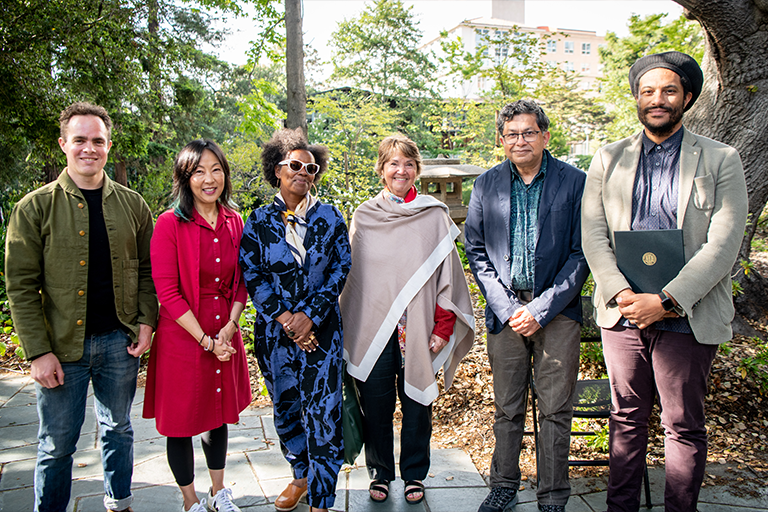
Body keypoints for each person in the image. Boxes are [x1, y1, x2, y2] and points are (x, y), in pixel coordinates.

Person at [581, 51, 748, 512]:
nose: (658, 99)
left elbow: (724, 241)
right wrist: (622, 293)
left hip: (687, 317)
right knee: (625, 419)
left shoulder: (721, 159)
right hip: (624, 313)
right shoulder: (608, 158)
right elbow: (594, 235)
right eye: (648, 90)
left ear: (687, 97)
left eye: (669, 90)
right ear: (637, 98)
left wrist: (668, 300)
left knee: (683, 424)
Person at [4, 102, 158, 512]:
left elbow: (147, 271)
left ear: (108, 146)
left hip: (117, 344)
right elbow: (20, 286)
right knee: (56, 445)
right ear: (63, 145)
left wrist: (146, 321)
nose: (88, 148)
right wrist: (37, 352)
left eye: (97, 140)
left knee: (119, 430)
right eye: (80, 140)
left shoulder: (133, 206)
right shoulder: (34, 208)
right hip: (60, 349)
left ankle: (119, 502)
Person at [464, 100, 589, 512]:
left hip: (557, 314)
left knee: (555, 408)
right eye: (512, 134)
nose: (521, 140)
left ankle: (553, 495)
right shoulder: (486, 185)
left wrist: (541, 309)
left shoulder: (575, 182)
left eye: (529, 132)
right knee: (507, 406)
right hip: (506, 315)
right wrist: (505, 306)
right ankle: (503, 485)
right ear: (501, 141)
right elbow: (476, 251)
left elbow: (582, 253)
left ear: (545, 136)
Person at [341, 134, 475, 506]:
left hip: (418, 327)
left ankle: (414, 473)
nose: (401, 170)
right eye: (393, 163)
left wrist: (442, 328)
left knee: (417, 407)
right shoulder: (365, 216)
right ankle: (380, 473)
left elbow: (448, 278)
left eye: (408, 163)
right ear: (382, 169)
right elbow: (354, 281)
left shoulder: (434, 215)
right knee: (376, 408)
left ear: (417, 168)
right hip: (375, 329)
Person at [239, 128, 351, 512]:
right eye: (295, 165)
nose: (303, 172)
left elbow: (341, 268)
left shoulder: (331, 216)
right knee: (286, 409)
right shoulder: (256, 221)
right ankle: (300, 475)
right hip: (275, 334)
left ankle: (322, 497)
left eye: (311, 167)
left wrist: (310, 317)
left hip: (323, 333)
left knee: (324, 412)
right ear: (277, 170)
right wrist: (289, 320)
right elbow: (253, 275)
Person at [142, 140, 252, 512]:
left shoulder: (234, 221)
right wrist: (206, 340)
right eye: (200, 171)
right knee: (181, 422)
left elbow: (242, 281)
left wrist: (231, 326)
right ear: (185, 178)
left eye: (217, 170)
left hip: (225, 329)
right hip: (183, 335)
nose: (210, 179)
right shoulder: (169, 223)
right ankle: (189, 501)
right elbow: (167, 292)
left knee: (216, 414)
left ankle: (218, 493)